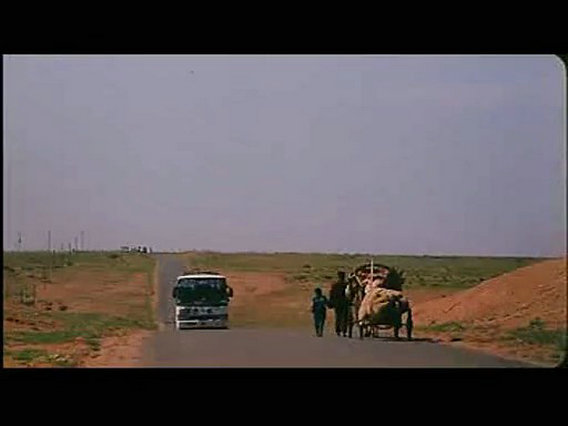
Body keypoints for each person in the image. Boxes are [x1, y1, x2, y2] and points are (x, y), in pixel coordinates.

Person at [329, 271, 349, 336]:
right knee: (344, 317)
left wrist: (331, 302)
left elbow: (331, 294)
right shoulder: (346, 285)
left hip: (337, 303)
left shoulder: (335, 285)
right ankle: (344, 330)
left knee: (338, 317)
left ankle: (338, 330)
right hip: (344, 302)